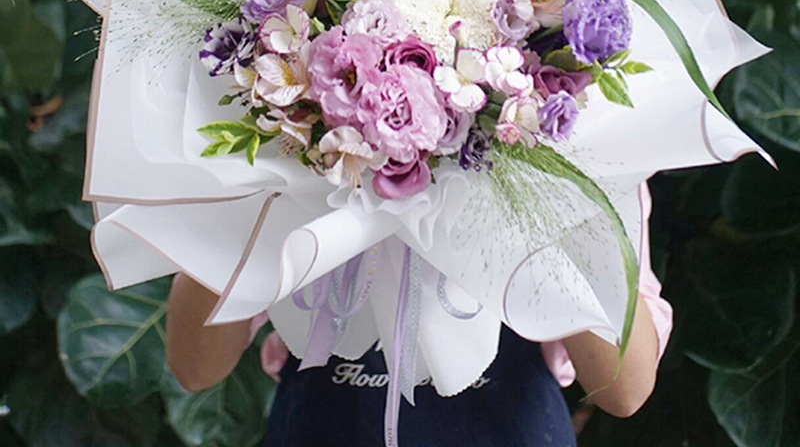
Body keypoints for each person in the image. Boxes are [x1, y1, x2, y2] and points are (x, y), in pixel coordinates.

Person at [167, 184, 671, 446]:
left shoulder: (583, 152)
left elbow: (625, 389)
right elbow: (195, 366)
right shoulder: (289, 144)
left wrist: (555, 192)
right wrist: (258, 188)